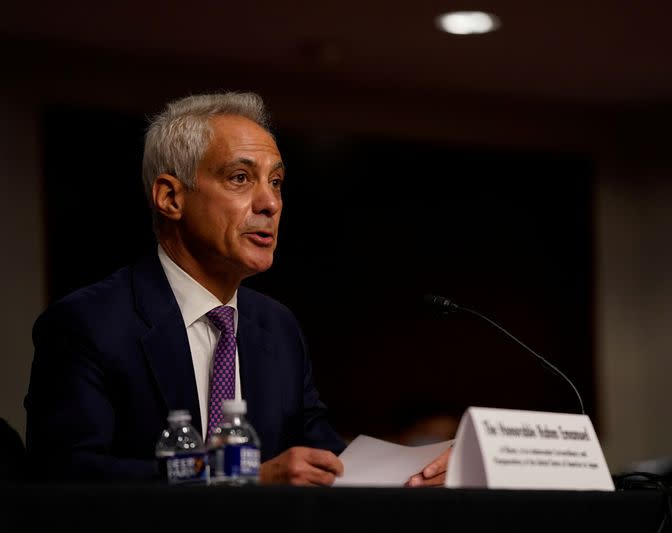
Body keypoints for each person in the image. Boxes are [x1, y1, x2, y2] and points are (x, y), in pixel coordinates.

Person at [24, 92, 448, 486]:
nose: (270, 203)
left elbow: (325, 458)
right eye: (241, 177)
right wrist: (243, 477)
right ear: (171, 197)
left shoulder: (277, 327)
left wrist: (424, 469)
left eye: (276, 182)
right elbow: (65, 473)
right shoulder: (89, 323)